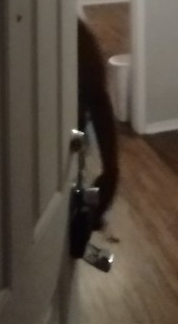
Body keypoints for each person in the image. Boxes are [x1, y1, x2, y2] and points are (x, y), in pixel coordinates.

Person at [77, 17, 119, 228]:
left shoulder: (74, 34)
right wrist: (111, 168)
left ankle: (86, 218)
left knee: (77, 180)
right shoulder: (75, 33)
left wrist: (111, 169)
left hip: (74, 136)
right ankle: (87, 218)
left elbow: (99, 100)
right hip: (73, 135)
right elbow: (99, 100)